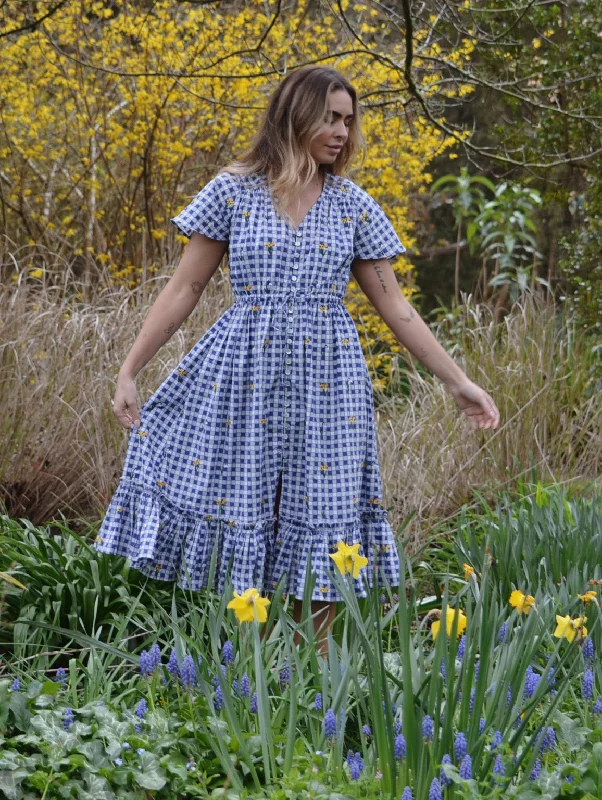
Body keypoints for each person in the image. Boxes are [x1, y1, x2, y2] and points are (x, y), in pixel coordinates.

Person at [94, 65, 499, 656]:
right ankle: (250, 686)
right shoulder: (232, 191)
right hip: (242, 380)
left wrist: (459, 382)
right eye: (330, 118)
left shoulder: (353, 206)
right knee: (247, 519)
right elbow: (184, 289)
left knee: (326, 525)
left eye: (348, 121)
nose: (342, 132)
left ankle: (318, 693)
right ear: (295, 116)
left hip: (330, 388)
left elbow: (397, 308)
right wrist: (130, 369)